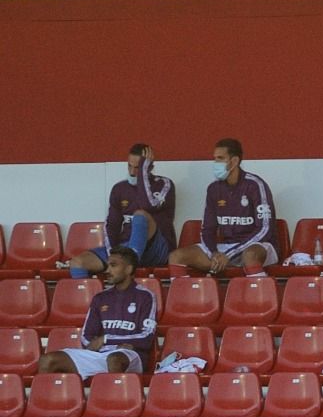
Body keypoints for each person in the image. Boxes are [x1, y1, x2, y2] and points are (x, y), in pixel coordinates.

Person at [36, 247, 157, 378]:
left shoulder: (145, 296)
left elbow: (147, 337)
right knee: (48, 360)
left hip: (131, 356)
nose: (107, 270)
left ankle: (113, 398)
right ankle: (47, 398)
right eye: (108, 265)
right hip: (100, 354)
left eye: (113, 265)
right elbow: (86, 336)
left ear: (128, 269)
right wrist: (102, 344)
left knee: (114, 359)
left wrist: (105, 339)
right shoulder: (101, 298)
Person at [59, 143, 176, 277]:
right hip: (124, 248)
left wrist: (142, 176)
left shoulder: (165, 184)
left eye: (138, 168)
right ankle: (93, 296)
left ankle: (128, 263)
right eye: (129, 166)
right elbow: (112, 225)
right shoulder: (119, 189)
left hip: (156, 249)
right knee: (78, 262)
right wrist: (112, 254)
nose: (132, 172)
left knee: (140, 215)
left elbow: (147, 205)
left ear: (148, 167)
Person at [167, 138, 278, 275]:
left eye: (220, 158)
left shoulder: (255, 185)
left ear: (234, 161)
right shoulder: (214, 189)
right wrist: (214, 253)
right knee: (176, 256)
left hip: (258, 246)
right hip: (224, 249)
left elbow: (265, 229)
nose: (216, 163)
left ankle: (260, 296)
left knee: (250, 255)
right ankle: (183, 296)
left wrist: (230, 253)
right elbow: (207, 230)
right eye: (215, 159)